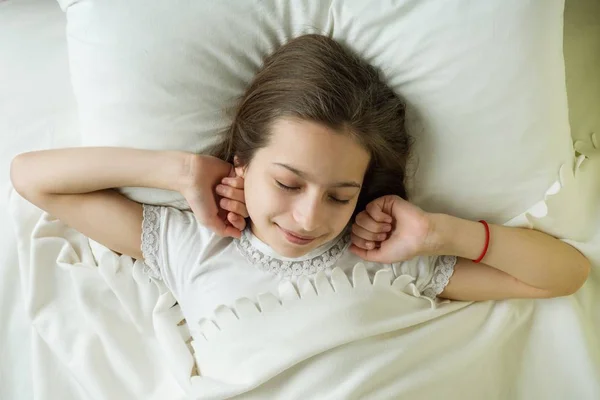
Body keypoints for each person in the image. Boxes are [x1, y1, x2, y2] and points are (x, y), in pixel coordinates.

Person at [10, 35, 590, 331]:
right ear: (241, 161)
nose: (311, 218)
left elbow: (563, 276)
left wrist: (441, 233)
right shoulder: (194, 244)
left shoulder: (386, 255)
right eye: (287, 183)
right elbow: (32, 178)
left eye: (341, 195)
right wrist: (180, 170)